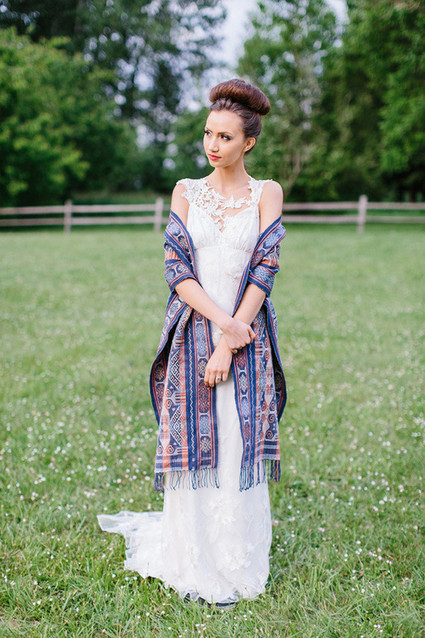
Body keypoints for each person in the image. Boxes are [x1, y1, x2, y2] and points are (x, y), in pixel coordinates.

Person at [98, 78, 287, 607]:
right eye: (208, 134)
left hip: (247, 336)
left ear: (249, 141)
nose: (213, 144)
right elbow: (176, 269)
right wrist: (221, 326)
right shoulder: (186, 190)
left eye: (225, 136)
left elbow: (265, 267)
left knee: (236, 438)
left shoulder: (267, 192)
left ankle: (236, 560)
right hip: (194, 329)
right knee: (195, 442)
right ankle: (192, 558)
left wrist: (231, 341)